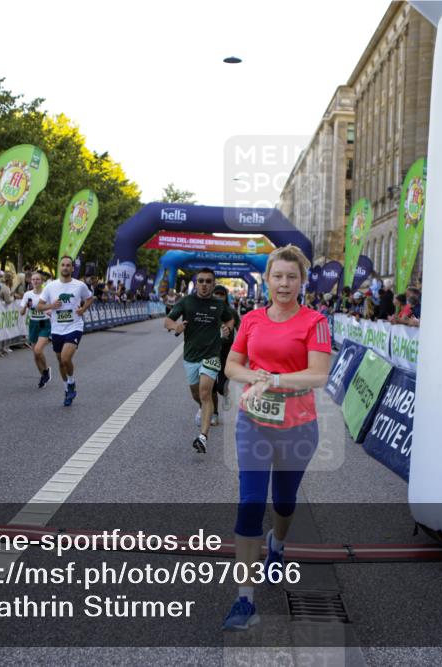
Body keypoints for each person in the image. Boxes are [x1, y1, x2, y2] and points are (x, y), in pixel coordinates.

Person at [221, 244, 332, 631]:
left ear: (302, 281)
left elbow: (319, 375)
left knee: (284, 503)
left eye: (292, 277)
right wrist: (255, 378)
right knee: (250, 502)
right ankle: (244, 601)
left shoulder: (315, 321)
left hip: (297, 427)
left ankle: (278, 546)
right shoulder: (250, 320)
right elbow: (231, 364)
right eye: (277, 276)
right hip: (253, 422)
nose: (284, 284)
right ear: (266, 280)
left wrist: (276, 382)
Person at [164, 268, 236, 453]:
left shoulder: (219, 304)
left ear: (213, 284)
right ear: (196, 283)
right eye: (201, 281)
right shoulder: (187, 302)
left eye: (208, 281)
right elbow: (168, 321)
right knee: (197, 394)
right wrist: (176, 326)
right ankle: (204, 409)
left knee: (205, 393)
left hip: (212, 355)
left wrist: (227, 329)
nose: (204, 285)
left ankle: (203, 437)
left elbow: (230, 320)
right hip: (191, 356)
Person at [37, 256, 94, 406]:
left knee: (65, 358)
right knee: (60, 362)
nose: (65, 268)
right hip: (57, 328)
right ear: (59, 267)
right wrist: (51, 306)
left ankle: (71, 382)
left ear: (72, 268)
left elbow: (90, 298)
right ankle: (67, 388)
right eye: (63, 265)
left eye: (68, 265)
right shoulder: (51, 286)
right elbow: (39, 306)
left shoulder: (79, 285)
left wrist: (83, 309)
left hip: (74, 326)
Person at [213, 284, 240, 420]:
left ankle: (226, 394)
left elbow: (241, 330)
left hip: (226, 350)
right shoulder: (209, 310)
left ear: (225, 297)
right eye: (216, 294)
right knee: (210, 383)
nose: (218, 297)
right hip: (210, 349)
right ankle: (214, 414)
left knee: (221, 383)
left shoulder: (231, 312)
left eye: (221, 294)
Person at [20, 271, 52, 388]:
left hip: (44, 323)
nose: (35, 281)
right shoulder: (27, 294)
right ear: (31, 281)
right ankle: (43, 374)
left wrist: (49, 311)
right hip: (33, 324)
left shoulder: (46, 293)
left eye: (37, 279)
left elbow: (52, 307)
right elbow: (22, 312)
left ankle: (45, 371)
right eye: (33, 279)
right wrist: (25, 308)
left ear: (42, 281)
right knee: (35, 354)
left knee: (38, 350)